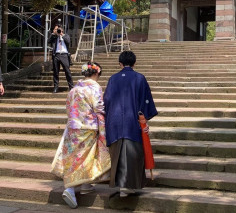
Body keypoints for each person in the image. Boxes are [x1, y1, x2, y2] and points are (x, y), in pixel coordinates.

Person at [51, 61, 111, 209]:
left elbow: (68, 107)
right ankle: (70, 189)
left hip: (73, 127)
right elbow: (98, 107)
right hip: (88, 127)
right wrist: (104, 127)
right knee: (83, 156)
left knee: (75, 155)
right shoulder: (94, 87)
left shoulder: (75, 88)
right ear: (96, 73)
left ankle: (86, 183)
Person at [104, 51, 158, 197]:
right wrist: (144, 118)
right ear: (134, 63)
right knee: (132, 153)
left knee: (117, 153)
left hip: (114, 121)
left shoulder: (113, 79)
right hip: (132, 121)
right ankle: (128, 185)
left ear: (120, 64)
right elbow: (146, 101)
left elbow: (107, 100)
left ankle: (120, 185)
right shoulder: (140, 78)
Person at [48, 23, 73, 93]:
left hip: (64, 55)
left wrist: (61, 34)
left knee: (67, 71)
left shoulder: (66, 36)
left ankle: (71, 87)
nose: (57, 30)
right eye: (56, 29)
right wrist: (53, 34)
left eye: (58, 29)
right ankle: (56, 87)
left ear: (62, 30)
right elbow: (48, 41)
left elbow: (68, 41)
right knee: (56, 72)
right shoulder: (54, 37)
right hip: (56, 55)